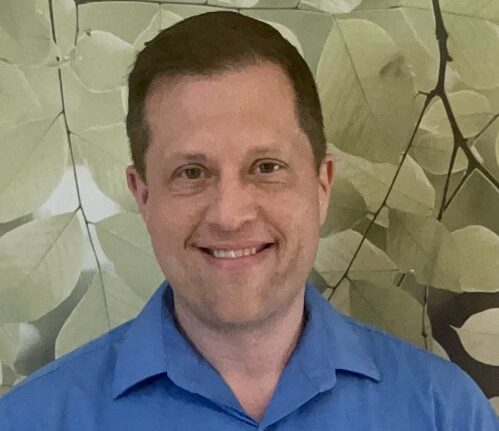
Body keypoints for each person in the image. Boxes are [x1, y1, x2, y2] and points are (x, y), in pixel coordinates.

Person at [0, 11, 497, 431]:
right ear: (143, 195)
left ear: (322, 185)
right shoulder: (34, 420)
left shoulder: (445, 413)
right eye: (191, 172)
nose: (230, 214)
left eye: (266, 168)